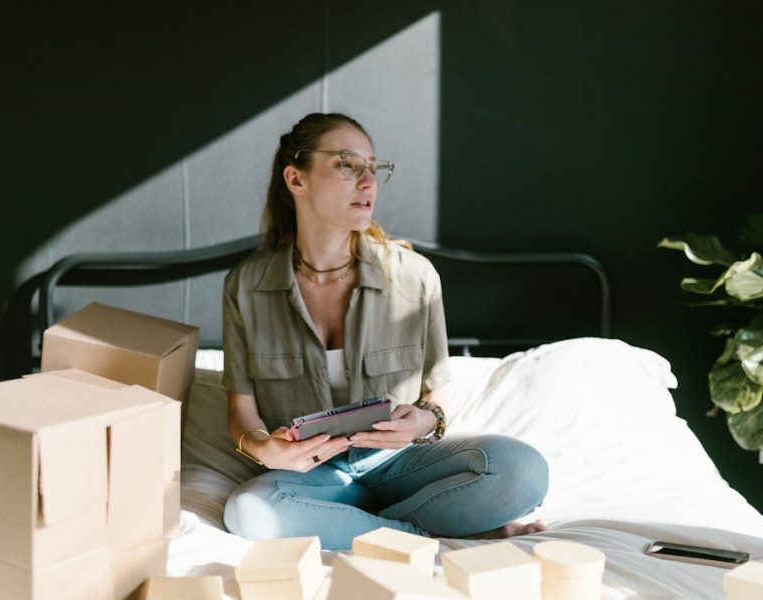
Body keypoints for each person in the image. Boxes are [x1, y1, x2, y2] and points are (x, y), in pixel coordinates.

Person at [221, 112, 548, 550]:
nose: (368, 181)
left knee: (522, 470)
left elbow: (436, 399)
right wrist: (263, 449)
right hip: (311, 475)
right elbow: (242, 414)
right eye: (346, 164)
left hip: (402, 465)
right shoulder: (246, 285)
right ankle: (428, 534)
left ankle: (355, 527)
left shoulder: (414, 277)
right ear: (296, 180)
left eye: (373, 168)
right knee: (248, 511)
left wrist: (423, 423)